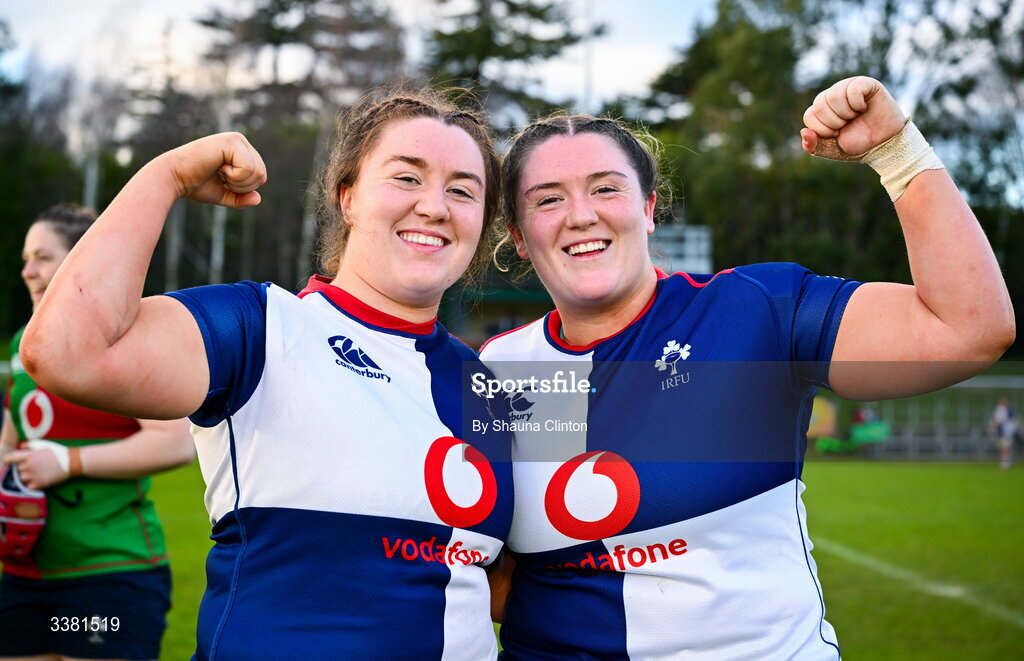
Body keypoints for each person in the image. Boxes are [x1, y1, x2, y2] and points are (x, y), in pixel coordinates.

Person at [480, 76, 1014, 659]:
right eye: (548, 198)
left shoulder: (751, 312)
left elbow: (969, 329)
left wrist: (897, 151)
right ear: (518, 235)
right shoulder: (497, 372)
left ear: (648, 209)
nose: (580, 215)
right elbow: (496, 581)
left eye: (605, 189)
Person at [19, 87, 514, 660]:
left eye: (462, 190)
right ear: (347, 196)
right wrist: (166, 176)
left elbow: (525, 581)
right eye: (407, 177)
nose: (436, 205)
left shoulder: (493, 388)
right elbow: (64, 353)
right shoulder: (261, 327)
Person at [0, 204, 195, 661]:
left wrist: (66, 462)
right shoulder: (21, 345)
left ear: (78, 261)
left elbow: (175, 441)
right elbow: (14, 437)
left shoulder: (126, 340)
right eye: (26, 258)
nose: (28, 271)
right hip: (24, 576)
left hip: (109, 574)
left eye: (43, 257)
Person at [988, 396, 1018, 469]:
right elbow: (997, 420)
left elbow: (999, 420)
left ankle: (1006, 462)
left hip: (1006, 432)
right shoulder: (1000, 409)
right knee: (1004, 447)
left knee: (1006, 447)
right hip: (1001, 432)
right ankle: (1005, 462)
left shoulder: (1008, 410)